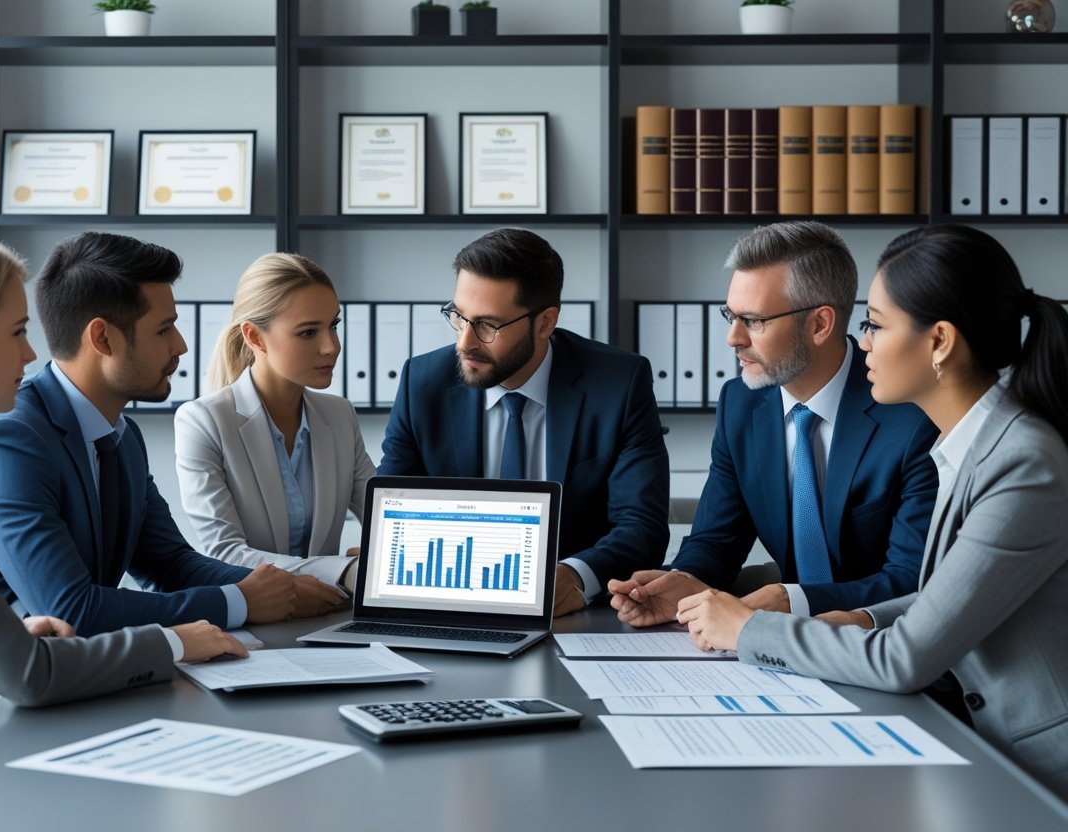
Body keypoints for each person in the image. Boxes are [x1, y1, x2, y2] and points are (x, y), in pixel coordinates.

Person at [677, 224, 1068, 800]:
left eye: (876, 326)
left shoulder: (1023, 462)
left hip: (1027, 759)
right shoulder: (972, 443)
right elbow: (951, 595)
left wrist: (751, 628)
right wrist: (864, 619)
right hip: (967, 729)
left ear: (938, 342)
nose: (862, 344)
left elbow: (905, 660)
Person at [0, 236, 247, 801]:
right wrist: (174, 643)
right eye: (16, 332)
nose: (31, 355)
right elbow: (28, 676)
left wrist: (8, 633)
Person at [0, 232, 347, 638]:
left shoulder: (122, 437)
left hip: (89, 679)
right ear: (102, 338)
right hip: (6, 694)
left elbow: (170, 563)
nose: (180, 346)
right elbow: (71, 609)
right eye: (164, 330)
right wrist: (240, 600)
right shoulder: (13, 443)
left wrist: (284, 590)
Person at [610, 221, 938, 625]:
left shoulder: (911, 415)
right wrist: (683, 581)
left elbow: (912, 579)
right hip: (778, 655)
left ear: (820, 324)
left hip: (880, 643)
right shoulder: (740, 404)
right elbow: (717, 539)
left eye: (754, 320)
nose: (733, 338)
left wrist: (792, 601)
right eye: (731, 315)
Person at [377, 228, 670, 616]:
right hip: (449, 606)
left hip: (573, 616)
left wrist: (576, 576)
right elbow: (393, 512)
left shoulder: (618, 383)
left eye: (487, 325)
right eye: (459, 317)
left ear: (545, 322)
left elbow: (641, 527)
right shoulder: (423, 382)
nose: (465, 342)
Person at [174, 253, 375, 593]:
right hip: (252, 624)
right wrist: (345, 571)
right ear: (254, 337)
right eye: (309, 332)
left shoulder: (340, 415)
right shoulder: (203, 421)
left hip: (328, 618)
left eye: (334, 325)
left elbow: (384, 515)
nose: (332, 346)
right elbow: (225, 553)